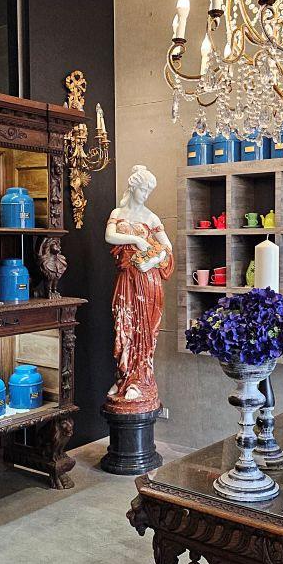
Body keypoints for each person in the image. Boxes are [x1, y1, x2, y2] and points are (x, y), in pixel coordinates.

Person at [104, 165, 174, 412]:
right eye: (144, 189)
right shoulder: (117, 213)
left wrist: (152, 262)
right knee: (123, 326)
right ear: (133, 187)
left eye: (149, 191)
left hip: (147, 280)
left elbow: (168, 248)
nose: (146, 195)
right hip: (126, 278)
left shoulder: (151, 218)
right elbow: (109, 236)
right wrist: (136, 239)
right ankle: (123, 377)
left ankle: (139, 381)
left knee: (144, 330)